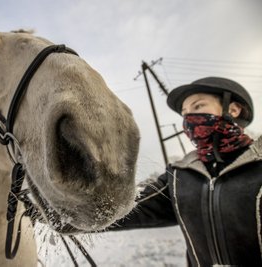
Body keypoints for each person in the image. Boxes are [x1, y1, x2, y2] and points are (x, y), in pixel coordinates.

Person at [108, 77, 261, 266]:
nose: (188, 119)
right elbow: (127, 209)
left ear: (233, 109)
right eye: (184, 113)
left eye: (197, 107)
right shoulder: (178, 176)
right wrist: (67, 212)